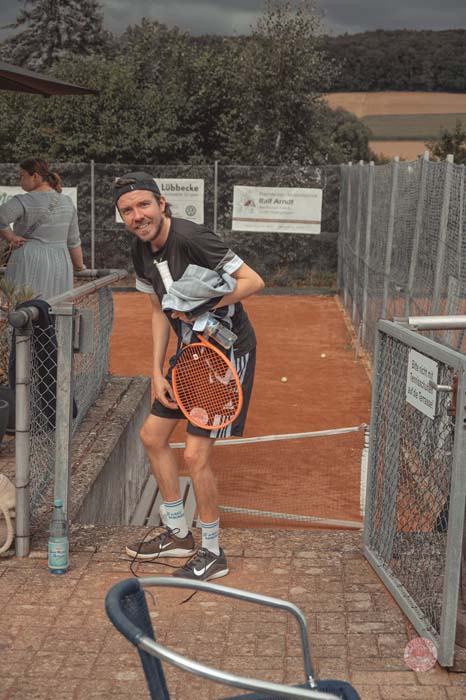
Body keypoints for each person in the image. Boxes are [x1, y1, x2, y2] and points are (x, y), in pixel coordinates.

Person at [115, 172, 264, 580]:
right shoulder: (140, 250)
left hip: (226, 354)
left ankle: (213, 552)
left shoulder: (192, 237)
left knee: (196, 456)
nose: (137, 215)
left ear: (161, 204)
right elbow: (156, 309)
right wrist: (156, 370)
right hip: (190, 351)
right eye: (127, 210)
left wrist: (204, 304)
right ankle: (178, 533)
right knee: (152, 436)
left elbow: (253, 281)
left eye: (143, 205)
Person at [0, 158, 86, 300]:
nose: (20, 180)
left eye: (22, 176)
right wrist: (79, 266)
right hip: (60, 263)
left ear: (35, 176)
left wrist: (11, 237)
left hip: (28, 261)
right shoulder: (67, 202)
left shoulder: (23, 200)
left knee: (23, 307)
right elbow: (73, 242)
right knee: (56, 307)